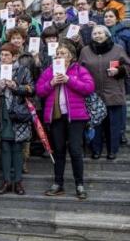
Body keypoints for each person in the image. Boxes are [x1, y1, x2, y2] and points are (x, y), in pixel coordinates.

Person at [37, 42, 95, 199]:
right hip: (56, 117)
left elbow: (89, 88)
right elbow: (39, 91)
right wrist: (51, 83)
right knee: (59, 151)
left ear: (70, 56)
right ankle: (58, 183)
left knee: (76, 150)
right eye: (57, 53)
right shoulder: (49, 71)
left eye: (62, 53)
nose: (58, 55)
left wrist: (69, 80)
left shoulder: (79, 70)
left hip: (76, 118)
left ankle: (79, 184)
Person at [79, 25, 130, 160]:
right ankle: (96, 150)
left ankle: (112, 150)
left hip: (113, 92)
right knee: (96, 124)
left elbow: (127, 66)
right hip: (93, 94)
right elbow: (80, 70)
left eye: (100, 33)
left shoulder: (118, 49)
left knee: (113, 124)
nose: (97, 35)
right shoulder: (85, 51)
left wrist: (119, 70)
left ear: (107, 35)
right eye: (94, 33)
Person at [0, 43, 34, 195]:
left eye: (7, 55)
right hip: (3, 111)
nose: (3, 58)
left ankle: (17, 181)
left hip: (19, 112)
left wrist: (16, 86)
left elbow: (32, 89)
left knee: (18, 148)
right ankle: (6, 181)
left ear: (15, 56)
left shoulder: (23, 70)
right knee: (4, 147)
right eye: (2, 54)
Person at [104, 9, 130, 144]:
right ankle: (109, 132)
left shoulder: (125, 33)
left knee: (121, 104)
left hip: (121, 73)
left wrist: (123, 69)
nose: (108, 18)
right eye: (106, 16)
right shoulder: (101, 33)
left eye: (110, 16)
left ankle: (121, 132)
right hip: (105, 73)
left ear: (116, 18)